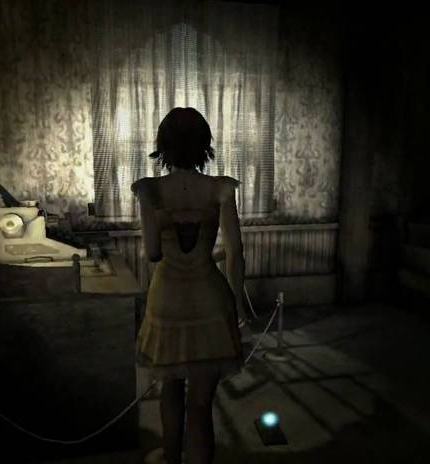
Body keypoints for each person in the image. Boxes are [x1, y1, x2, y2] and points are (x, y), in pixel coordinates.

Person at [131, 107, 245, 464]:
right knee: (201, 405)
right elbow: (236, 253)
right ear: (204, 144)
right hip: (210, 298)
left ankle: (171, 457)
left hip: (167, 299)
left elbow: (153, 253)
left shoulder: (149, 190)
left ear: (163, 144)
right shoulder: (220, 188)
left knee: (170, 388)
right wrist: (239, 303)